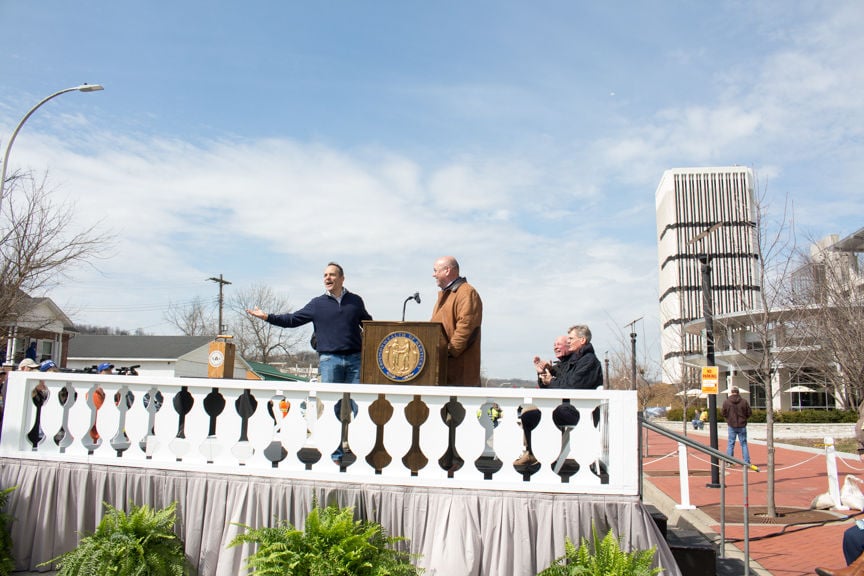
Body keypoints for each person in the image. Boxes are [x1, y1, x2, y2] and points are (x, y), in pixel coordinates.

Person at [246, 262, 372, 384]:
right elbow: (292, 319)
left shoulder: (355, 301)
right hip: (329, 360)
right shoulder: (317, 304)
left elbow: (369, 326)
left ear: (342, 278)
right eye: (325, 275)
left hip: (355, 360)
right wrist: (267, 317)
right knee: (332, 403)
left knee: (358, 401)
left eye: (332, 274)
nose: (327, 278)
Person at [430, 256, 483, 386]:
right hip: (445, 373)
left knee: (456, 407)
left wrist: (446, 353)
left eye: (436, 270)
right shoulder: (446, 295)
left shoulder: (466, 293)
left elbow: (466, 329)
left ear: (447, 270)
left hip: (459, 376)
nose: (433, 275)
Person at [537, 325, 603, 389]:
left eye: (571, 338)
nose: (568, 341)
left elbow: (573, 386)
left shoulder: (589, 361)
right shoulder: (576, 361)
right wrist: (547, 371)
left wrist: (551, 381)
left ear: (582, 340)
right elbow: (563, 380)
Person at [722, 386, 752, 465]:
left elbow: (723, 413)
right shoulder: (744, 401)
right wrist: (744, 418)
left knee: (731, 443)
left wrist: (728, 419)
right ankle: (746, 461)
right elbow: (749, 413)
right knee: (744, 444)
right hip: (742, 425)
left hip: (731, 425)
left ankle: (729, 461)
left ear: (731, 392)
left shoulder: (726, 402)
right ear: (738, 392)